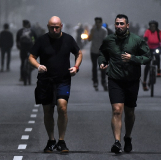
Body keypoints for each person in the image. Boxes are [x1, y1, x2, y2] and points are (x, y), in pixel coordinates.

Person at [29, 16, 83, 153]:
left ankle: (61, 141)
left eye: (57, 27)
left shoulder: (68, 39)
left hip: (63, 79)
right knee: (48, 111)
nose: (54, 29)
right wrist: (38, 66)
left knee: (62, 107)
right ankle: (51, 140)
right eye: (52, 27)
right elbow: (31, 56)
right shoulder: (42, 40)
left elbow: (79, 53)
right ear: (47, 27)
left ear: (61, 26)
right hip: (45, 80)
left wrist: (76, 67)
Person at [98, 14, 151, 154]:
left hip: (132, 81)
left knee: (129, 112)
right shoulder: (109, 40)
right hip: (115, 79)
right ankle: (117, 142)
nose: (119, 26)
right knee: (117, 110)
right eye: (117, 23)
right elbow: (102, 53)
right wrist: (102, 62)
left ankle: (127, 137)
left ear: (127, 25)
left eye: (122, 24)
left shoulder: (137, 40)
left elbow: (147, 57)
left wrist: (132, 58)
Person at [142, 20, 161, 91]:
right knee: (147, 65)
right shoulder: (147, 31)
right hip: (149, 47)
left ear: (156, 27)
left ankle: (158, 70)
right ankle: (144, 82)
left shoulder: (159, 32)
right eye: (151, 26)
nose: (152, 28)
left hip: (157, 47)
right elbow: (145, 39)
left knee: (158, 56)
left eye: (154, 26)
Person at [88, 17, 108, 91]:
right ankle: (95, 82)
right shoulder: (93, 30)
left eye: (99, 22)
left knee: (103, 67)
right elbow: (89, 39)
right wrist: (92, 32)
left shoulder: (104, 31)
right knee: (94, 67)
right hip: (93, 51)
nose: (98, 24)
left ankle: (103, 82)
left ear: (101, 23)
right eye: (96, 22)